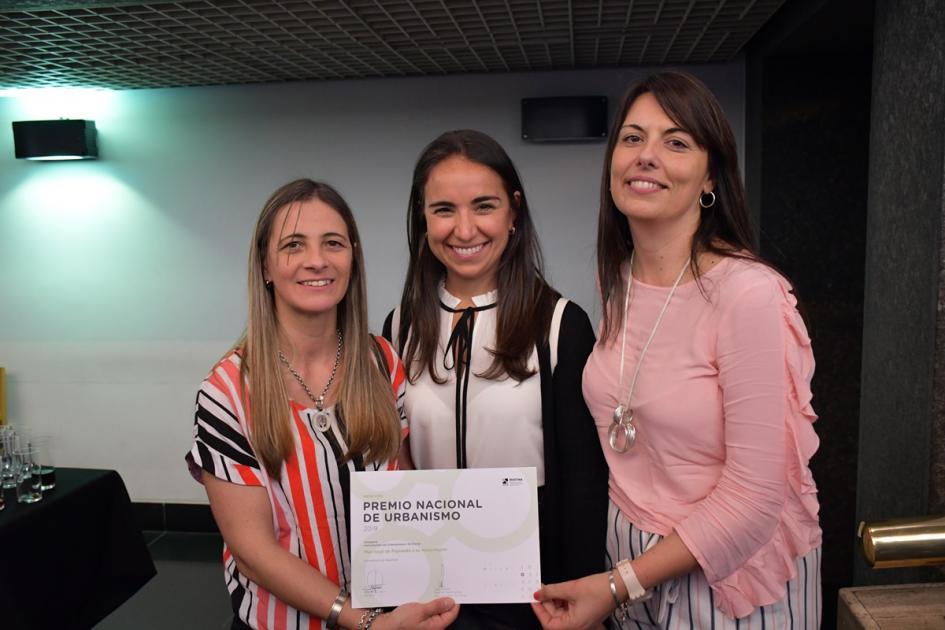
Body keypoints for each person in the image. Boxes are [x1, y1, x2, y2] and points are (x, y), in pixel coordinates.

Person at [532, 71, 822, 629]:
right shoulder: (617, 279)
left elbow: (755, 499)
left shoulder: (749, 294)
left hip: (728, 578)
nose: (647, 156)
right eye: (632, 138)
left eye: (676, 142)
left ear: (709, 174)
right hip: (628, 566)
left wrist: (619, 584)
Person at [186, 179, 460, 630]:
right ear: (266, 267)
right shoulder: (227, 392)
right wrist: (361, 620)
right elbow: (254, 554)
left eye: (333, 243)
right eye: (294, 245)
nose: (317, 260)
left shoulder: (381, 360)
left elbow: (404, 492)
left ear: (352, 258)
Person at [383, 129, 609, 630]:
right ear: (422, 219)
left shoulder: (560, 324)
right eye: (443, 210)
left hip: (532, 589)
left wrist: (581, 595)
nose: (464, 230)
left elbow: (584, 484)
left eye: (483, 206)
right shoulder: (398, 328)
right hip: (430, 585)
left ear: (514, 212)